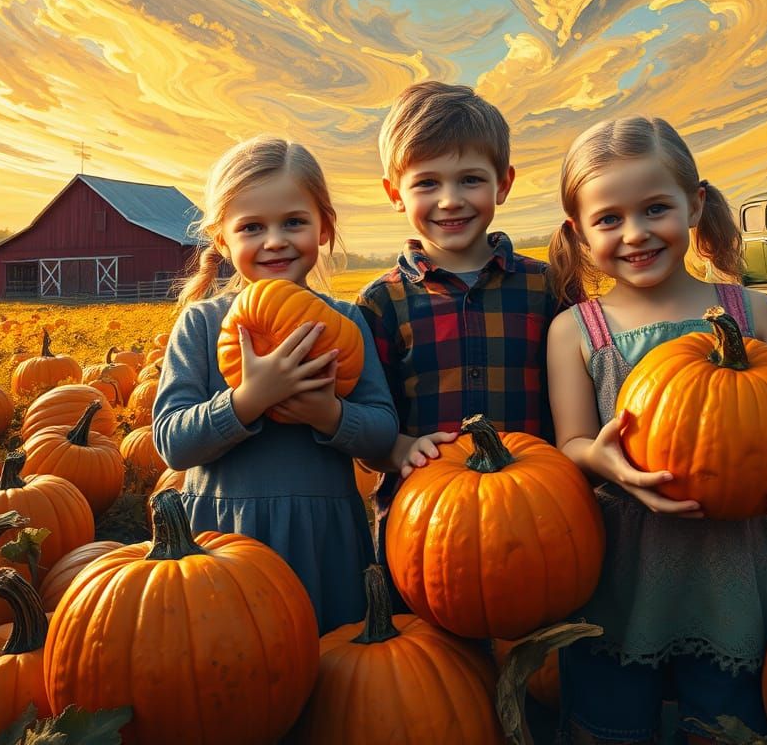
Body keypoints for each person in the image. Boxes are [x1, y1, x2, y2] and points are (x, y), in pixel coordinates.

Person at [545, 116, 767, 745]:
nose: (635, 234)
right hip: (626, 559)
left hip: (736, 557)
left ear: (695, 204)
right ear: (579, 232)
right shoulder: (576, 331)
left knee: (728, 718)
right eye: (609, 219)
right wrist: (611, 466)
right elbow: (573, 443)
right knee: (612, 715)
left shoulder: (751, 311)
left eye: (655, 208)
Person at [153, 135, 398, 633]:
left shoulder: (348, 322)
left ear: (324, 227)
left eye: (293, 221)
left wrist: (326, 414)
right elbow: (172, 442)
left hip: (322, 536)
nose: (274, 240)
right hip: (223, 539)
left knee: (328, 666)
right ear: (222, 239)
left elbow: (381, 434)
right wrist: (249, 400)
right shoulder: (201, 325)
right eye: (251, 227)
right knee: (234, 666)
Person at [356, 80, 563, 563]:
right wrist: (397, 449)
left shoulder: (547, 288)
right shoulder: (381, 302)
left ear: (503, 183)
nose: (450, 200)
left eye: (470, 179)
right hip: (423, 525)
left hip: (540, 515)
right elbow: (370, 422)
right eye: (427, 183)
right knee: (424, 640)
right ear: (395, 193)